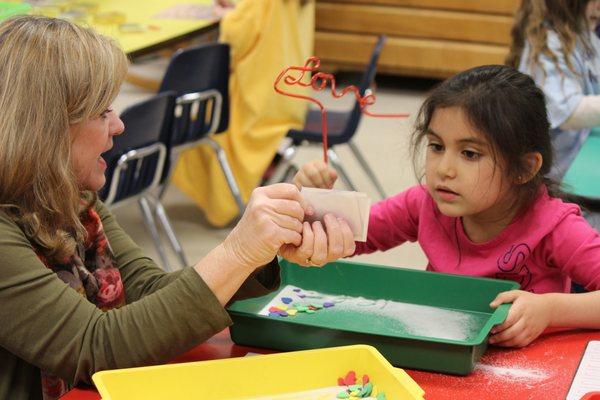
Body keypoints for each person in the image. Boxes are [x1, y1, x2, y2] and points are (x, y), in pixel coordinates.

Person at [0, 16, 354, 400]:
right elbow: (95, 348)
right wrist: (238, 251)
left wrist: (261, 250)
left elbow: (150, 293)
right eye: (102, 112)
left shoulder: (74, 200)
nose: (119, 125)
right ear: (47, 130)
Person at [293, 64, 600, 348]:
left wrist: (550, 310)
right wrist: (312, 204)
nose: (444, 169)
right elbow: (345, 238)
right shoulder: (424, 203)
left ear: (524, 168)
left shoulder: (556, 227)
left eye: (469, 154)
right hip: (441, 358)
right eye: (437, 147)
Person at [172, 0, 315, 227]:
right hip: (292, 91)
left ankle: (227, 202)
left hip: (260, 93)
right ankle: (267, 174)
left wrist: (227, 16)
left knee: (209, 122)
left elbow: (238, 36)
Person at [506, 0, 600, 178]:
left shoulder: (585, 31)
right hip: (558, 175)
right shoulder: (547, 44)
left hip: (580, 158)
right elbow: (570, 112)